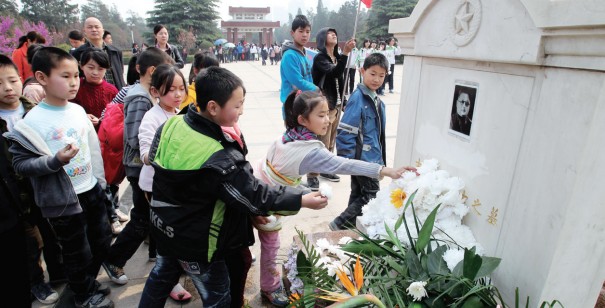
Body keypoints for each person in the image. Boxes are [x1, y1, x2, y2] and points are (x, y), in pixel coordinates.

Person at [138, 66, 328, 307]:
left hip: (166, 226)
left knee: (160, 277)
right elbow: (253, 194)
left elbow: (155, 157)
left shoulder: (173, 124)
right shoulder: (219, 155)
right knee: (217, 296)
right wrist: (301, 199)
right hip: (199, 242)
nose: (242, 111)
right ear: (213, 107)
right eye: (237, 105)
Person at [253, 89, 414, 306]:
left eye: (328, 113)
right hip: (266, 204)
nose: (328, 120)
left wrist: (300, 191)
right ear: (302, 119)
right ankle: (270, 288)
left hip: (256, 189)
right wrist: (385, 170)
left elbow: (282, 172)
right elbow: (344, 164)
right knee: (271, 246)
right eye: (321, 115)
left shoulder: (290, 134)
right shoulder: (311, 150)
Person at [5, 46, 114, 308]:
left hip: (91, 189)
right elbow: (21, 164)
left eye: (76, 75)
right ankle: (83, 295)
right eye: (65, 77)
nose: (74, 82)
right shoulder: (30, 122)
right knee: (76, 251)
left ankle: (87, 283)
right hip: (63, 200)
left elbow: (92, 148)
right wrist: (55, 161)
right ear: (42, 78)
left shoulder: (76, 111)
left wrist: (102, 184)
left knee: (101, 240)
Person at [102, 47, 173, 286]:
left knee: (152, 215)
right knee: (142, 218)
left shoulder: (143, 94)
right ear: (153, 71)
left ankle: (159, 256)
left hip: (146, 169)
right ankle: (113, 259)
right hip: (139, 168)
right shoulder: (139, 98)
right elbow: (134, 137)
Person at [138, 63, 192, 303]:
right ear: (156, 92)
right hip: (156, 187)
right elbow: (145, 155)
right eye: (171, 90)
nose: (178, 94)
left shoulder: (183, 113)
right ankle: (169, 281)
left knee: (178, 232)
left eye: (182, 88)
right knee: (167, 236)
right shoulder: (151, 118)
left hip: (179, 185)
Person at [330, 53, 390, 230]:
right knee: (372, 194)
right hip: (363, 159)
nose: (377, 79)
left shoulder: (374, 98)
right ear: (362, 71)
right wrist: (348, 161)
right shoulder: (359, 98)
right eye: (372, 73)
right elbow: (345, 130)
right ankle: (340, 223)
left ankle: (349, 227)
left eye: (381, 75)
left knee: (358, 193)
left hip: (371, 157)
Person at [311, 28, 356, 188]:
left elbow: (341, 81)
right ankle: (312, 175)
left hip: (335, 105)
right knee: (320, 142)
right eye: (330, 33)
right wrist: (345, 53)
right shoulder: (320, 58)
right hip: (324, 106)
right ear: (323, 38)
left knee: (331, 142)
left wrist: (343, 101)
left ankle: (326, 169)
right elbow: (335, 73)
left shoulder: (336, 57)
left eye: (335, 33)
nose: (334, 34)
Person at [73, 17, 125, 90]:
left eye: (97, 27)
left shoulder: (116, 51)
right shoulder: (78, 53)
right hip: (92, 94)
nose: (94, 30)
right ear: (84, 31)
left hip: (117, 93)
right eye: (90, 27)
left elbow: (120, 73)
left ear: (103, 30)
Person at [72, 48, 118, 129]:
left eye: (100, 69)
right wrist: (82, 116)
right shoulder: (74, 87)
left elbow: (117, 116)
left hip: (105, 135)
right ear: (81, 66)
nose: (95, 72)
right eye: (91, 67)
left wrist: (101, 121)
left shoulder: (112, 91)